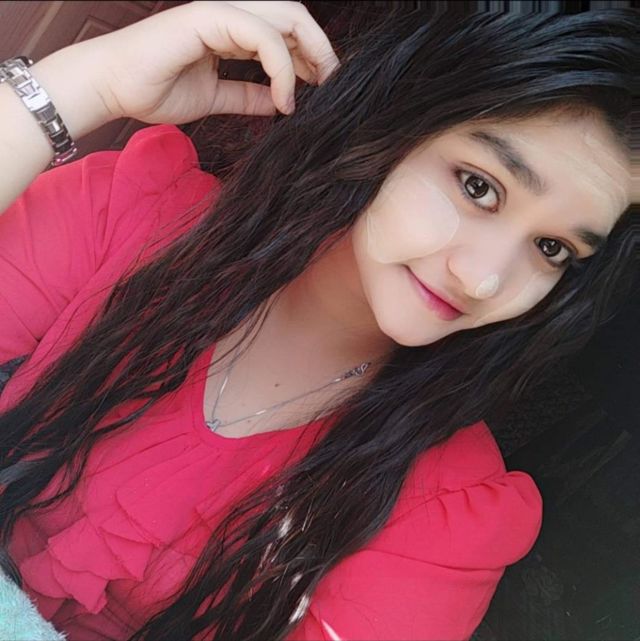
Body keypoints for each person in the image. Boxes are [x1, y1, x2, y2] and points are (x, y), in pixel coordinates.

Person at [0, 1, 636, 640]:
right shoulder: (133, 220)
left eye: (552, 248)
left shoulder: (441, 516)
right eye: (478, 186)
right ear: (391, 118)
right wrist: (88, 85)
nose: (483, 279)